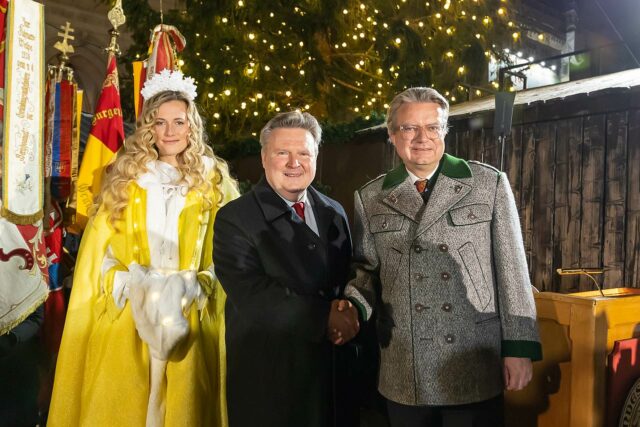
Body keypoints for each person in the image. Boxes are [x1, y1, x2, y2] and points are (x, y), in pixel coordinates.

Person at [47, 70, 238, 427]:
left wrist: (197, 285)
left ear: (191, 126)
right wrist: (130, 284)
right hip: (130, 315)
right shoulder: (127, 179)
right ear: (148, 127)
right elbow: (99, 254)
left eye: (179, 122)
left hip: (190, 314)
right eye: (160, 122)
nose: (169, 132)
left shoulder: (215, 182)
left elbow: (228, 250)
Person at [344, 87, 542, 427]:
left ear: (444, 131)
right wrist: (352, 306)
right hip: (406, 366)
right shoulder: (371, 197)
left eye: (432, 127)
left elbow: (513, 272)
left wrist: (519, 347)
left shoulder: (487, 183)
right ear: (393, 135)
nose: (422, 138)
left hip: (473, 361)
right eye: (409, 128)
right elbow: (365, 271)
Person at [213, 111, 358, 427]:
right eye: (283, 153)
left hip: (333, 379)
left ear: (316, 157)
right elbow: (253, 295)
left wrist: (353, 309)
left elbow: (349, 273)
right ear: (264, 158)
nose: (294, 163)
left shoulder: (334, 211)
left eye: (304, 153)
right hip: (271, 384)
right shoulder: (234, 219)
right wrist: (325, 318)